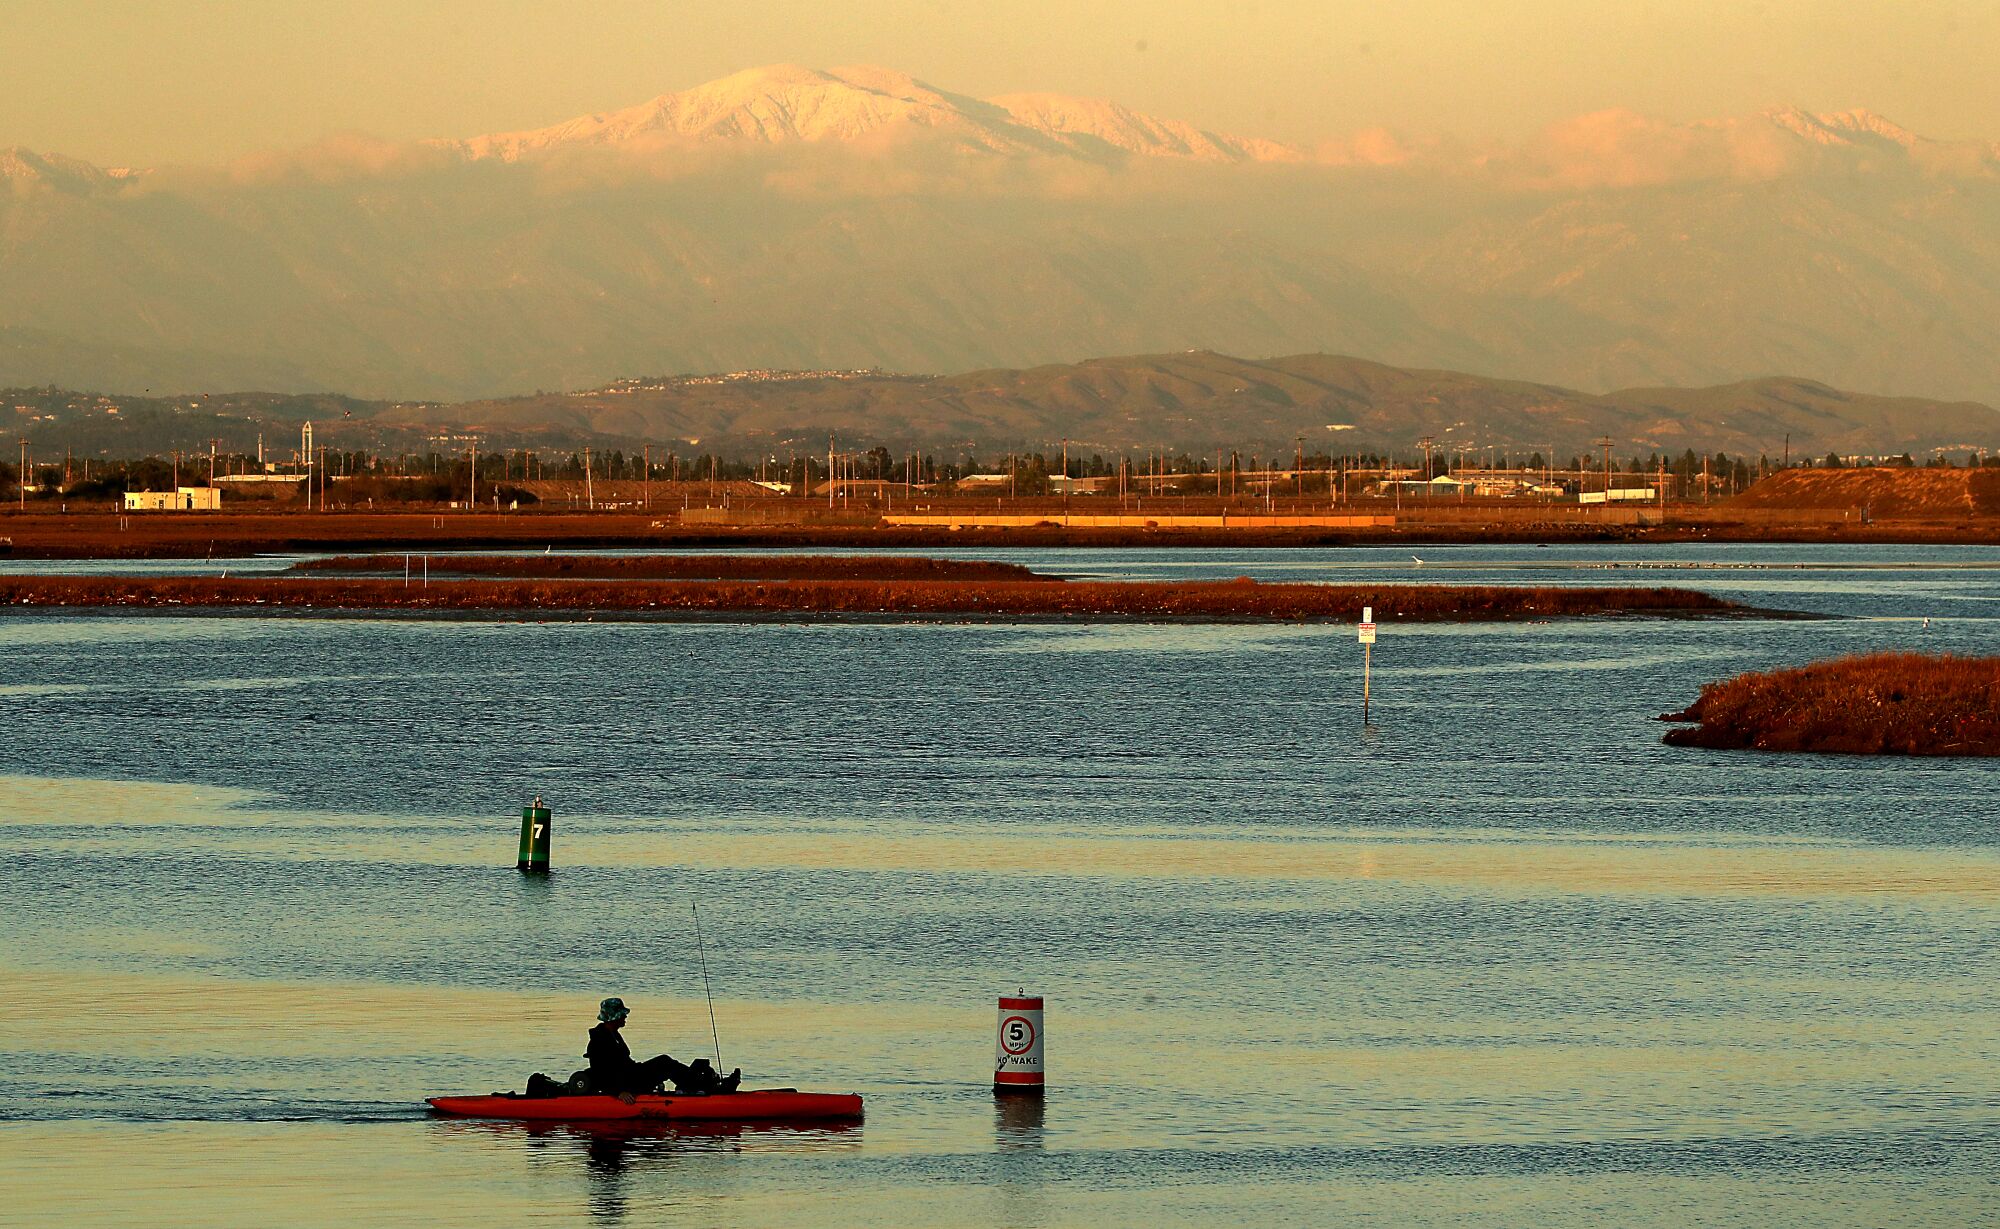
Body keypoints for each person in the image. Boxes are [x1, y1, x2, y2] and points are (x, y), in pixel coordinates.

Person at [585, 997, 739, 1099]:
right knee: (664, 1062)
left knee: (664, 1061)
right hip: (625, 1084)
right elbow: (600, 1072)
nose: (625, 1017)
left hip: (630, 1075)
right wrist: (619, 1092)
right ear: (614, 1017)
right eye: (622, 1015)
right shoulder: (599, 1040)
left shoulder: (613, 1035)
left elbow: (624, 1063)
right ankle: (706, 1087)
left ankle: (704, 1084)